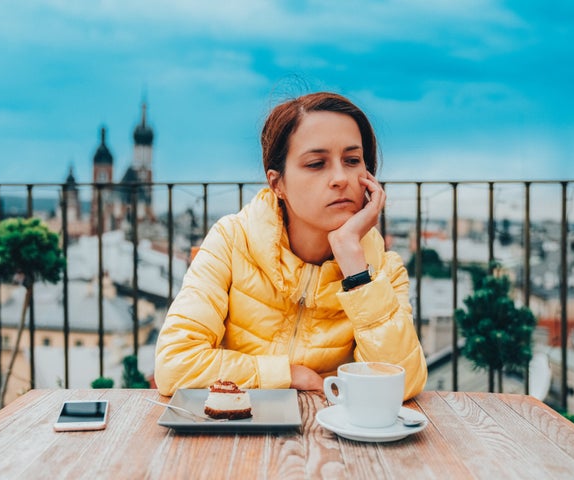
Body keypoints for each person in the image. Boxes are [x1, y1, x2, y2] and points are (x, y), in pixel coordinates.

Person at [155, 91, 427, 399]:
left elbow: (402, 385)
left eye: (352, 160)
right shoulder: (231, 241)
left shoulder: (381, 271)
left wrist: (355, 269)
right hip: (234, 432)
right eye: (316, 163)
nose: (340, 177)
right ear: (276, 183)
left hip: (331, 436)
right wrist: (288, 375)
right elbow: (174, 365)